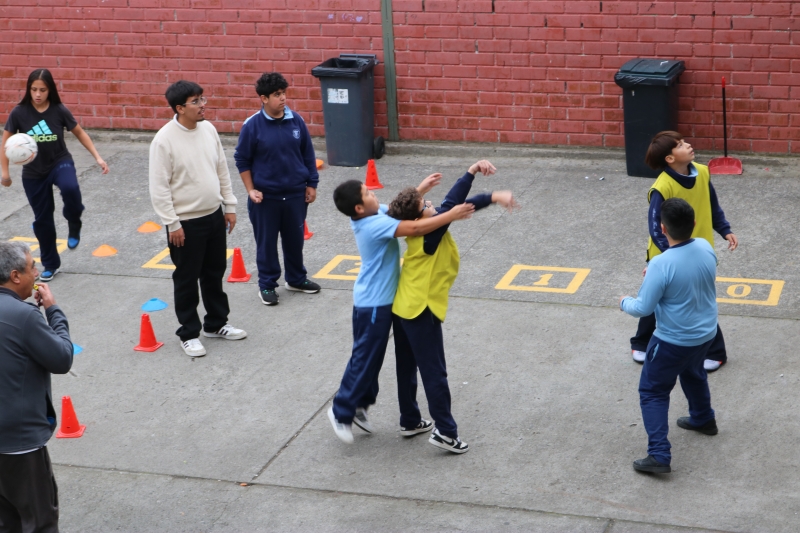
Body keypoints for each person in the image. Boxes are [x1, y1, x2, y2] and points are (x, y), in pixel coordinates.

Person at [327, 176, 475, 444]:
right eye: (368, 193)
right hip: (374, 303)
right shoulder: (373, 224)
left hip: (388, 300)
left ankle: (368, 406)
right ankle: (341, 410)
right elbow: (417, 229)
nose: (373, 194)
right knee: (365, 356)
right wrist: (450, 214)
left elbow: (397, 209)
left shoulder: (375, 212)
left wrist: (418, 192)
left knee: (385, 358)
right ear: (359, 208)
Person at [388, 160, 518, 454]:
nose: (431, 203)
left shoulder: (419, 229)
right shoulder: (429, 233)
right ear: (419, 219)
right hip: (421, 309)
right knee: (435, 372)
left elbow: (450, 203)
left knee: (407, 366)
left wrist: (470, 172)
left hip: (403, 305)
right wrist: (494, 196)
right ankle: (445, 431)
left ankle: (409, 419)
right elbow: (456, 206)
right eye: (425, 204)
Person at [620, 198, 720, 474]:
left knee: (653, 392)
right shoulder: (705, 247)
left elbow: (643, 308)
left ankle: (659, 455)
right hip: (705, 333)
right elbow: (691, 274)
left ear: (663, 229)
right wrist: (654, 274)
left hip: (672, 341)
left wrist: (624, 300)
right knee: (693, 373)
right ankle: (703, 419)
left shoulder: (661, 264)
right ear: (694, 223)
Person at [149, 80, 247, 358]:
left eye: (202, 99)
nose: (203, 105)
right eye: (196, 101)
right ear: (179, 108)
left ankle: (216, 324)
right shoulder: (163, 140)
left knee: (214, 274)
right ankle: (189, 333)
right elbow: (159, 187)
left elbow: (221, 170)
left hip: (214, 216)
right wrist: (172, 222)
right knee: (187, 279)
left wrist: (229, 205)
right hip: (185, 224)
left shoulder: (208, 130)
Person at [630, 131, 738, 372]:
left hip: (697, 252)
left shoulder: (702, 172)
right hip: (665, 254)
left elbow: (712, 205)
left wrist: (724, 229)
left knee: (700, 298)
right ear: (669, 159)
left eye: (685, 141)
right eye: (680, 145)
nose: (688, 145)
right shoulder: (661, 187)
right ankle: (641, 342)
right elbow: (656, 228)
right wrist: (671, 256)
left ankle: (716, 352)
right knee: (655, 298)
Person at [1, 68, 109, 281]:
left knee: (70, 189)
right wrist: (5, 172)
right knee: (43, 220)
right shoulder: (19, 113)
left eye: (42, 89)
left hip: (59, 161)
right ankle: (50, 263)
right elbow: (6, 142)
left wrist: (98, 157)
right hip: (33, 171)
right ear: (28, 90)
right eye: (34, 89)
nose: (38, 94)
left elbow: (79, 132)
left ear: (50, 90)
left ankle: (74, 222)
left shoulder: (59, 110)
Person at [0, 241, 74, 532]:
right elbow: (62, 358)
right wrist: (53, 311)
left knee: (7, 522)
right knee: (39, 522)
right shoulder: (24, 316)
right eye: (33, 267)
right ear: (16, 276)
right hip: (21, 444)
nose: (38, 273)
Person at [234, 72, 321, 307]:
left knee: (295, 241)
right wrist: (251, 190)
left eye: (284, 93)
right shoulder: (252, 126)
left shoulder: (297, 121)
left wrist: (311, 184)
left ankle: (296, 279)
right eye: (276, 95)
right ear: (263, 98)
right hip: (266, 198)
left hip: (295, 195)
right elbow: (242, 160)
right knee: (267, 244)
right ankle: (267, 285)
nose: (282, 98)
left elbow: (308, 155)